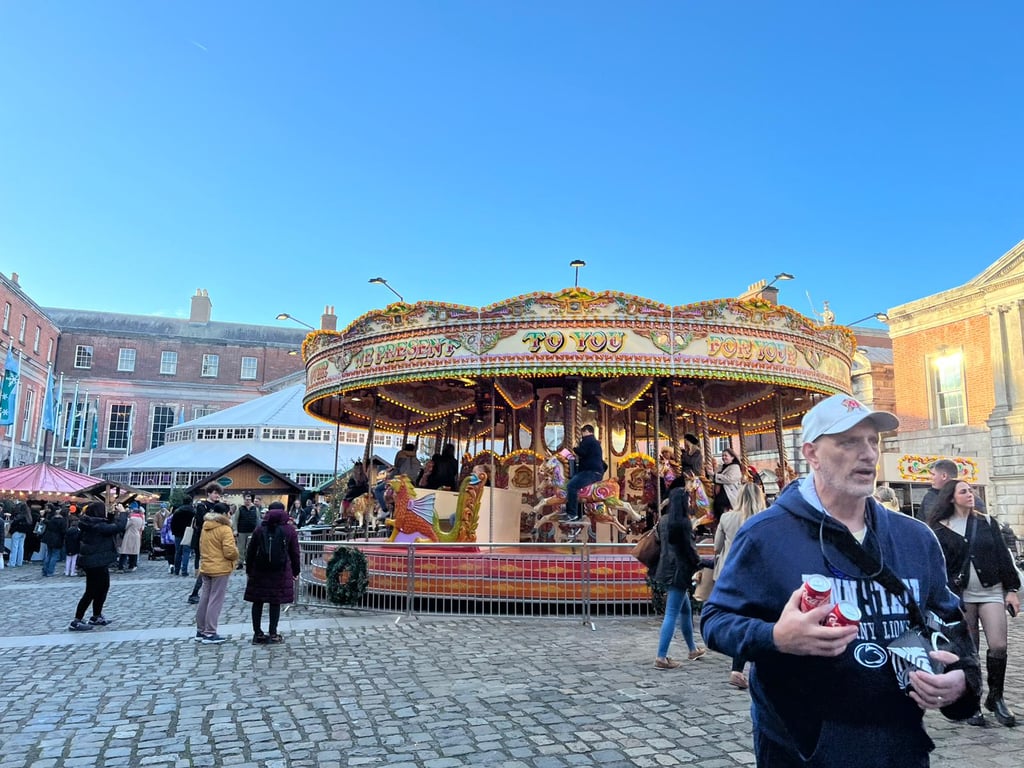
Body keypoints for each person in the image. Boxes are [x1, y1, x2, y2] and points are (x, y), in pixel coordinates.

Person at [702, 393, 981, 767]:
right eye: (848, 442)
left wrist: (960, 680)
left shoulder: (915, 538)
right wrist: (775, 638)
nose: (867, 454)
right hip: (801, 748)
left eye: (872, 442)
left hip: (899, 745)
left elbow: (950, 623)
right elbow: (716, 620)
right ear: (812, 454)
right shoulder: (765, 535)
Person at [929, 479, 1020, 727]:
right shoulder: (939, 529)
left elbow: (1003, 557)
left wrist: (1011, 589)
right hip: (962, 596)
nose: (970, 494)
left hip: (991, 591)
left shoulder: (986, 522)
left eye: (970, 490)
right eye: (964, 491)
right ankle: (975, 703)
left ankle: (997, 697)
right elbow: (939, 568)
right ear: (951, 497)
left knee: (999, 645)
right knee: (970, 652)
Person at [713, 482, 766, 689]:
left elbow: (717, 546)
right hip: (756, 574)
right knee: (755, 620)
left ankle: (737, 665)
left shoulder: (727, 517)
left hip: (730, 573)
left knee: (738, 619)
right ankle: (742, 667)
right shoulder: (764, 518)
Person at [653, 486, 706, 669]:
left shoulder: (664, 520)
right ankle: (661, 656)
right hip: (679, 571)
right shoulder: (683, 523)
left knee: (685, 610)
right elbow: (690, 550)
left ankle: (692, 648)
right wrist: (702, 562)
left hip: (666, 567)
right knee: (671, 613)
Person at [244, 500, 301, 644]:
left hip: (260, 570)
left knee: (258, 602)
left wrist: (249, 569)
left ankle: (257, 634)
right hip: (280, 571)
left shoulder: (259, 529)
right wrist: (296, 570)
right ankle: (273, 633)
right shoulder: (290, 530)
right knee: (275, 602)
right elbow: (295, 553)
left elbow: (250, 551)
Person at [69, 501, 126, 631]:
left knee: (103, 587)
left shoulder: (92, 522)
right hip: (94, 561)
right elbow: (118, 527)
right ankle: (77, 620)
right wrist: (123, 513)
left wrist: (113, 514)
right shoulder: (95, 525)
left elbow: (108, 524)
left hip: (99, 560)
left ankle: (96, 615)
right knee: (91, 591)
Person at [194, 501, 238, 644]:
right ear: (226, 514)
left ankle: (200, 630)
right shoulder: (225, 529)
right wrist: (237, 554)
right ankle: (210, 632)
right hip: (220, 568)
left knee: (205, 598)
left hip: (206, 566)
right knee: (215, 600)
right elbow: (229, 551)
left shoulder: (206, 526)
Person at [563, 425, 606, 521]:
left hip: (590, 472)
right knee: (573, 482)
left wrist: (574, 448)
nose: (582, 435)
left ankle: (572, 513)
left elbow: (582, 452)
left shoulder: (588, 440)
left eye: (583, 432)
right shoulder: (594, 442)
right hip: (594, 471)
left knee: (571, 486)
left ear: (587, 431)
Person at [712, 448, 743, 521]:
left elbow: (730, 479)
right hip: (722, 490)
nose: (723, 457)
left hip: (730, 492)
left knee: (719, 503)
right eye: (722, 456)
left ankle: (723, 520)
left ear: (732, 457)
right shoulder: (723, 467)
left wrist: (715, 475)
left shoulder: (735, 467)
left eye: (726, 455)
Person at [234, 493, 260, 570]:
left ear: (251, 500)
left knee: (250, 548)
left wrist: (258, 530)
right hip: (241, 531)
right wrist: (235, 530)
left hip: (252, 531)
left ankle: (249, 562)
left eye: (249, 499)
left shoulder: (255, 509)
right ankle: (240, 563)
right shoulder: (240, 509)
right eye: (246, 499)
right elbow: (235, 520)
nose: (247, 501)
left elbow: (258, 520)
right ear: (244, 500)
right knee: (241, 548)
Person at [170, 498, 196, 576]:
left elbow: (172, 523)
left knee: (178, 552)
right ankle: (184, 571)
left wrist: (174, 532)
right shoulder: (193, 511)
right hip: (188, 533)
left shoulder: (177, 511)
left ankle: (177, 570)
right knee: (186, 552)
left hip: (178, 533)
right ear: (191, 502)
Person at [40, 505, 67, 578]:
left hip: (49, 539)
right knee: (54, 556)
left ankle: (45, 570)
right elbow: (63, 531)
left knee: (49, 555)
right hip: (58, 539)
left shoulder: (52, 519)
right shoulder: (63, 521)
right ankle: (50, 572)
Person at [117, 505, 144, 572]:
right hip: (137, 535)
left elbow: (125, 526)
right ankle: (132, 565)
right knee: (134, 551)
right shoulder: (141, 519)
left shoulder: (132, 519)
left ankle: (121, 566)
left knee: (124, 551)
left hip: (129, 535)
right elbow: (142, 528)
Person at [8, 502, 33, 567]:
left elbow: (14, 523)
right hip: (23, 533)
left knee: (14, 548)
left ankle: (12, 563)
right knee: (21, 547)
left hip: (17, 532)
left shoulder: (20, 516)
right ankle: (19, 562)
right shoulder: (28, 516)